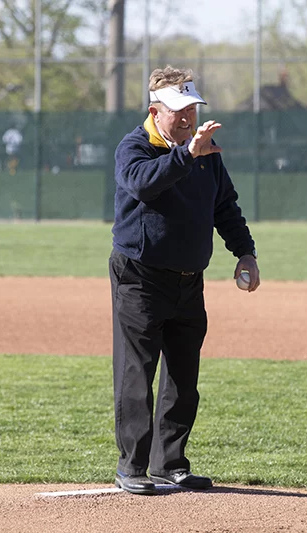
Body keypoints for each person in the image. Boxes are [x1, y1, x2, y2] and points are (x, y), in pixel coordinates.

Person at [109, 65, 260, 495]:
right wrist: (187, 155)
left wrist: (245, 252)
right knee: (136, 374)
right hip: (140, 276)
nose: (188, 117)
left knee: (183, 377)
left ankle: (169, 463)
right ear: (155, 111)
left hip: (190, 279)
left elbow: (224, 206)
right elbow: (142, 184)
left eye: (192, 108)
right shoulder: (135, 147)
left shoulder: (205, 152)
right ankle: (131, 467)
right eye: (179, 110)